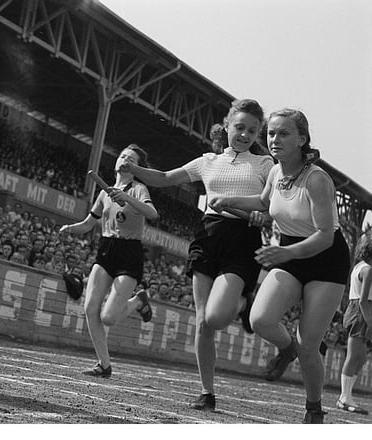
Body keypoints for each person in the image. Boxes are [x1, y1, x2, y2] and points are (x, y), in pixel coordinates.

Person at [122, 99, 273, 410]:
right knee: (203, 322)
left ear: (258, 134)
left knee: (217, 317)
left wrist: (262, 215)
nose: (244, 134)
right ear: (228, 126)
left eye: (252, 130)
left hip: (242, 241)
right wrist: (133, 168)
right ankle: (207, 392)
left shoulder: (265, 165)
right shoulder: (207, 161)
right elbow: (164, 178)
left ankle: (244, 301)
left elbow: (271, 207)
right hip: (207, 237)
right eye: (240, 127)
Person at [208, 108, 350, 423]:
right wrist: (228, 199)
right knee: (259, 319)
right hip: (289, 252)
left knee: (309, 343)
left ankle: (314, 409)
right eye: (271, 133)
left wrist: (285, 254)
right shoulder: (275, 171)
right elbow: (263, 202)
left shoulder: (317, 180)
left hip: (325, 261)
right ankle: (287, 350)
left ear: (302, 139)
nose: (274, 139)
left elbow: (326, 236)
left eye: (283, 133)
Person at [59, 144, 158, 377]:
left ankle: (138, 302)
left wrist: (126, 198)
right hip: (106, 249)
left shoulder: (139, 189)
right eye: (122, 155)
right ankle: (104, 364)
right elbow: (88, 223)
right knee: (90, 307)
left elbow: (152, 214)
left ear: (136, 168)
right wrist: (71, 228)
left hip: (129, 251)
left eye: (131, 159)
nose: (124, 159)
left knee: (109, 317)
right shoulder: (104, 193)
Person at [336, 229, 372, 415]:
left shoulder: (360, 266)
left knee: (361, 357)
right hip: (360, 312)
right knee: (353, 356)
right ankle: (344, 397)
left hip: (356, 310)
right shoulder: (368, 270)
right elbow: (364, 300)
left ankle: (346, 395)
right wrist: (371, 322)